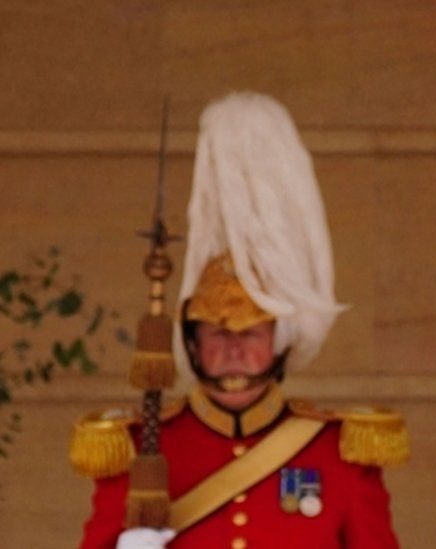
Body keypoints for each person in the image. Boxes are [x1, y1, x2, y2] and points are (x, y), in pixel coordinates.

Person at [72, 93, 407, 549]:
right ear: (191, 344)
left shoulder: (338, 453)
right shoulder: (141, 452)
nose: (234, 349)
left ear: (278, 340)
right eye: (216, 332)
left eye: (251, 332)